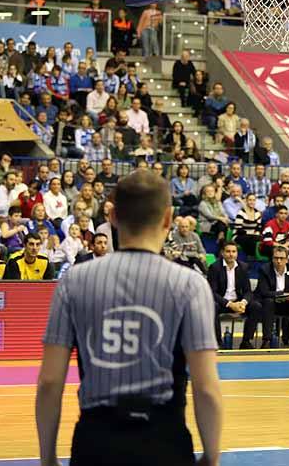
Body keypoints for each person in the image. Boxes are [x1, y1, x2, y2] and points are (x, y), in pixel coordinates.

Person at [35, 170, 222, 466]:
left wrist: (47, 458)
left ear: (113, 216)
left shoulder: (73, 281)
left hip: (95, 441)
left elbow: (49, 381)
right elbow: (206, 387)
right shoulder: (189, 285)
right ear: (168, 219)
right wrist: (211, 456)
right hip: (164, 440)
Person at [207, 242, 262, 349]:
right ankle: (218, 342)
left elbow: (248, 291)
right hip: (222, 302)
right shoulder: (214, 267)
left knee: (256, 306)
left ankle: (246, 341)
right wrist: (230, 304)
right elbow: (212, 292)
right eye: (228, 251)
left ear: (237, 253)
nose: (231, 254)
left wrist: (243, 302)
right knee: (212, 307)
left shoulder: (243, 267)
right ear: (222, 253)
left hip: (238, 302)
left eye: (234, 251)